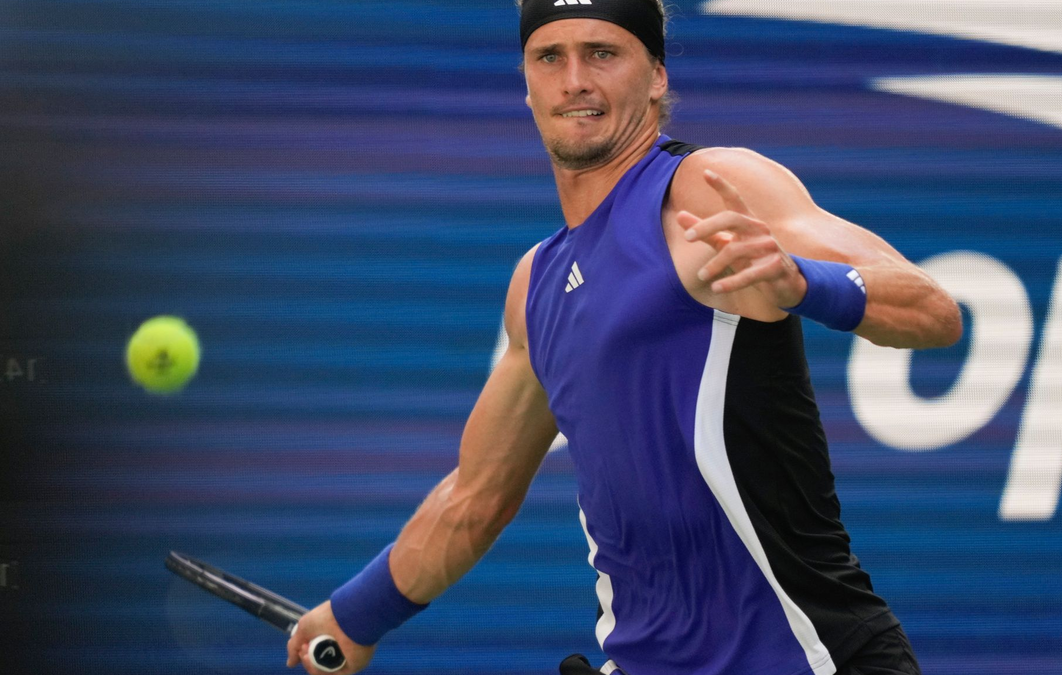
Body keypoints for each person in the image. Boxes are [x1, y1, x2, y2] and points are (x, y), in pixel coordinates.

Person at [287, 1, 961, 674]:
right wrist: (354, 616)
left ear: (658, 76)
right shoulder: (536, 285)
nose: (575, 80)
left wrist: (805, 282)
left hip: (806, 655)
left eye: (602, 53)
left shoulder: (701, 189)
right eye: (550, 57)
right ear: (526, 84)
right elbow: (475, 496)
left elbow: (934, 309)